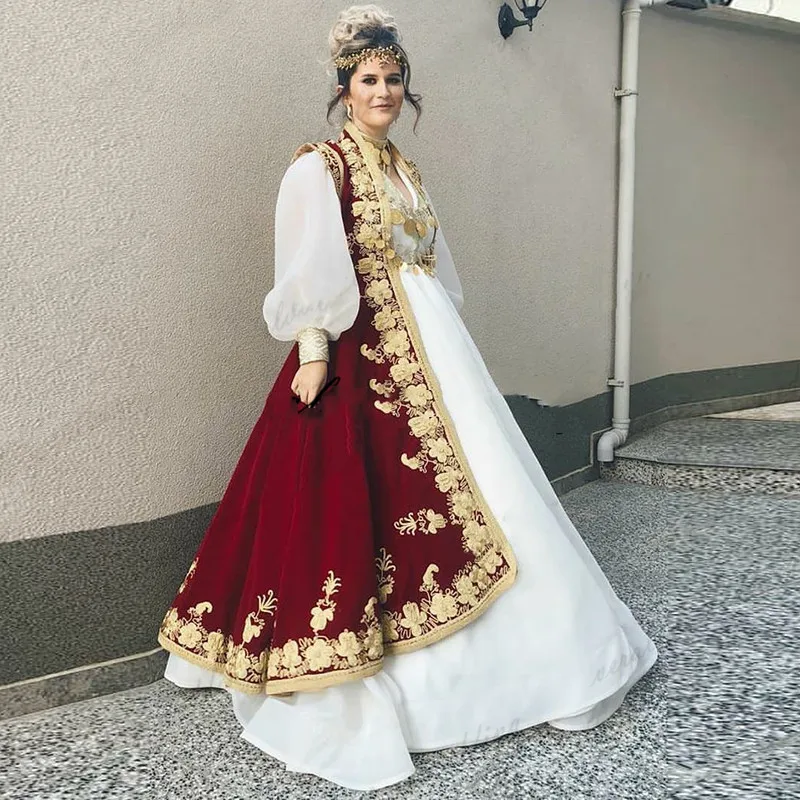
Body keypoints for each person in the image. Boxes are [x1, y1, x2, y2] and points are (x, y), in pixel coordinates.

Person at [157, 4, 658, 791]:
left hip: (433, 356)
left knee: (498, 495)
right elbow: (309, 264)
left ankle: (545, 655)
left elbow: (437, 275)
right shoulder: (318, 167)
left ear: (406, 89)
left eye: (393, 79)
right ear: (343, 88)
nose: (382, 91)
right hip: (361, 355)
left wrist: (450, 354)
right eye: (368, 80)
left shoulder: (405, 171)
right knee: (341, 504)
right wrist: (314, 349)